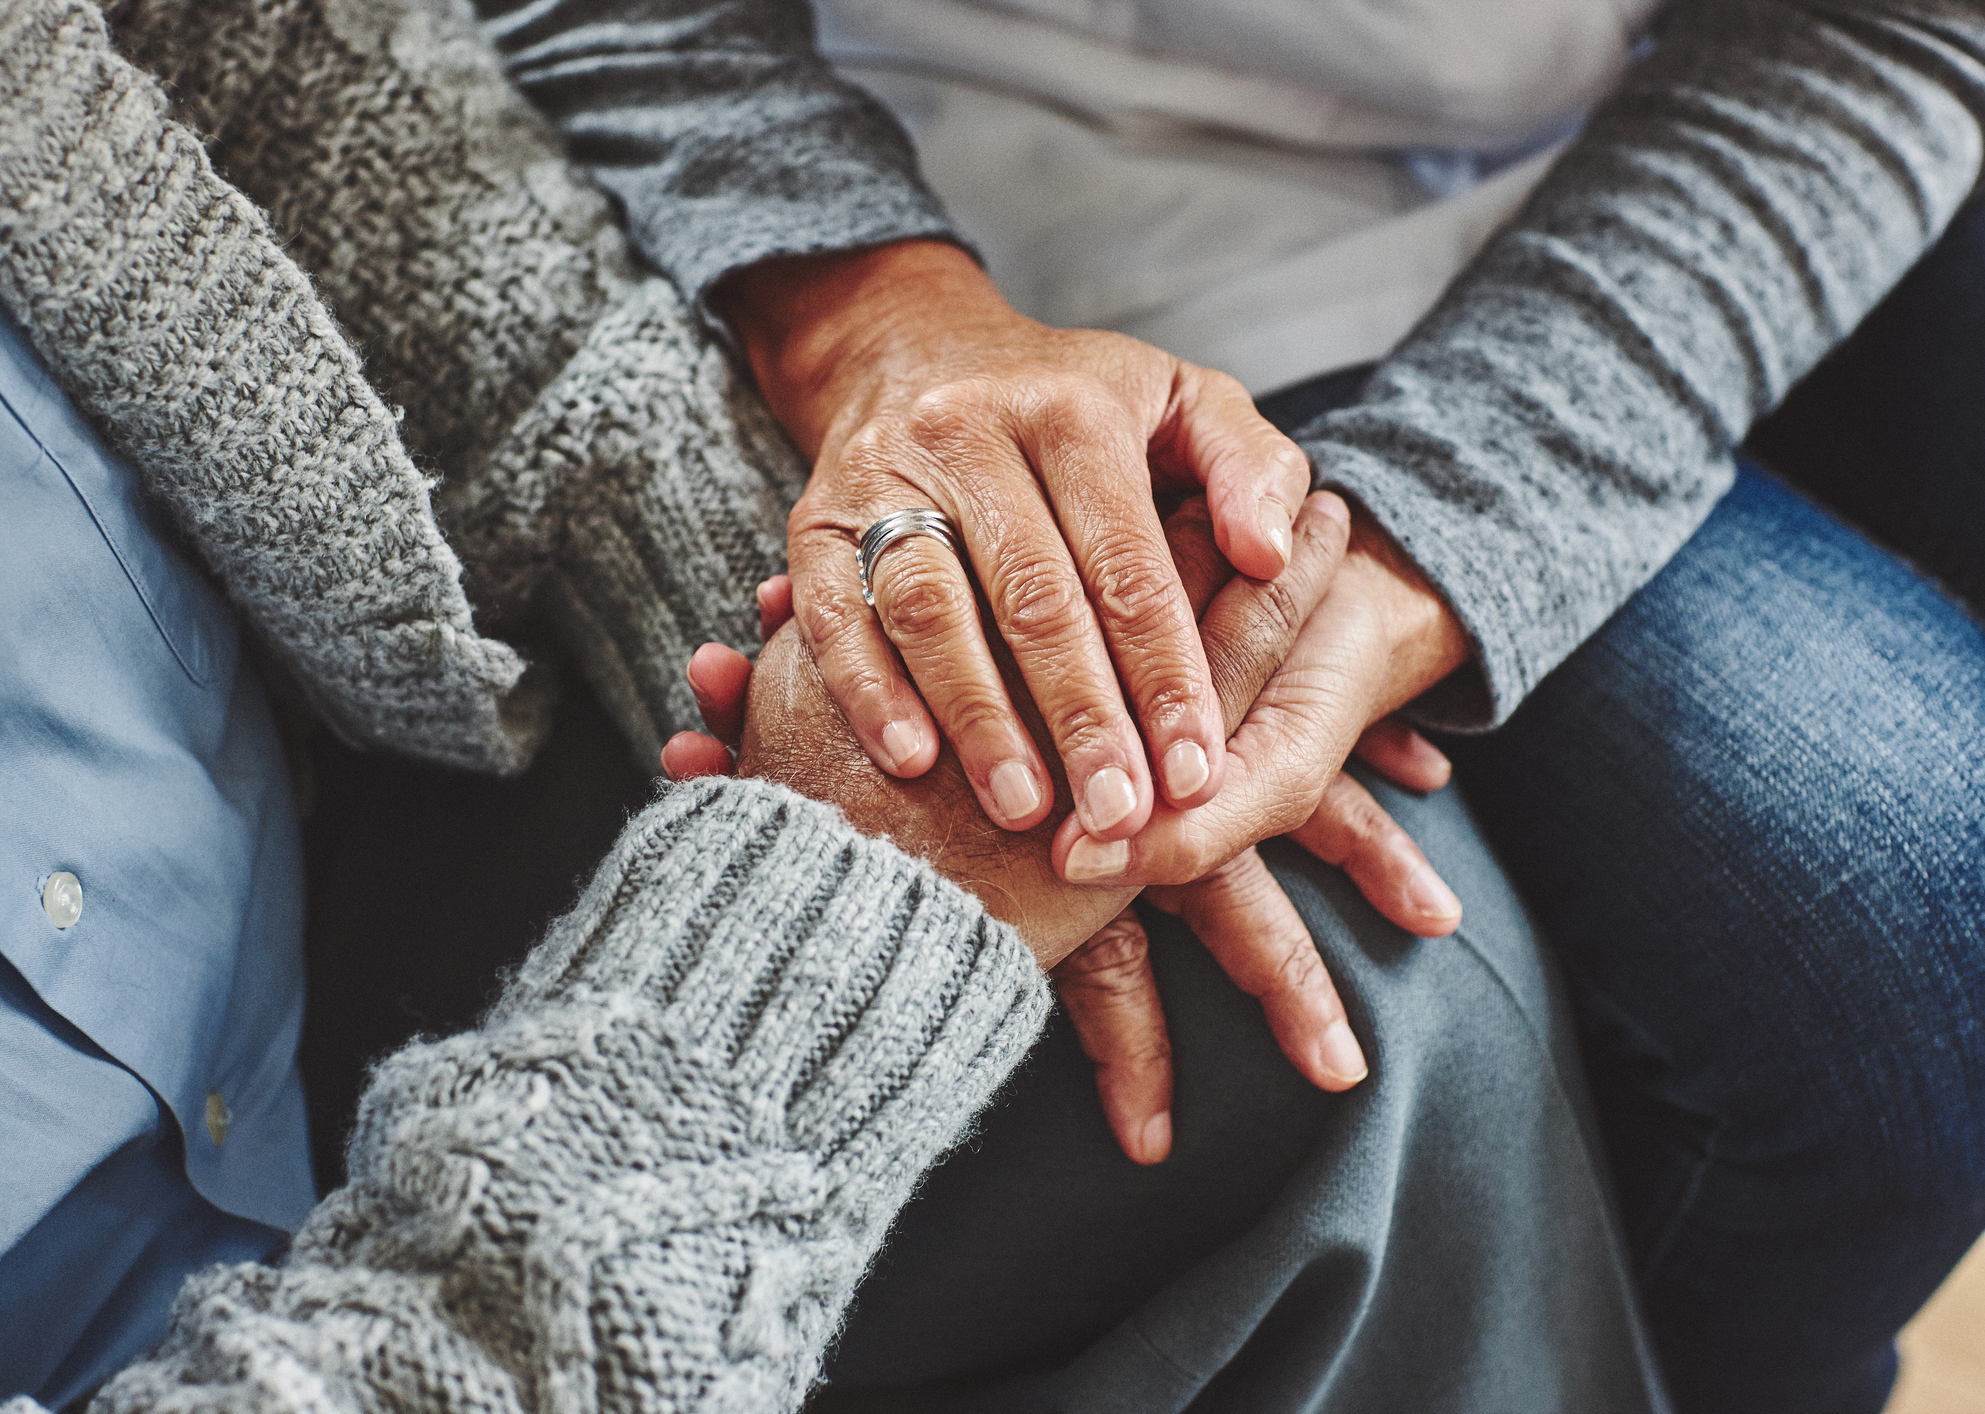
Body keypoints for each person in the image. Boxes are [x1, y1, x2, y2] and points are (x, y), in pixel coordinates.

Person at [0, 0, 1662, 1409]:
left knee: (1365, 985)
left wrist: (881, 599)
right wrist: (819, 915)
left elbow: (265, 71)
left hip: (317, 752)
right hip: (180, 1238)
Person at [599, 0, 1985, 1409]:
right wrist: (862, 323)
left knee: (1924, 921)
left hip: (1551, 218)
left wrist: (1398, 561)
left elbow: (1878, 30)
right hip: (885, 191)